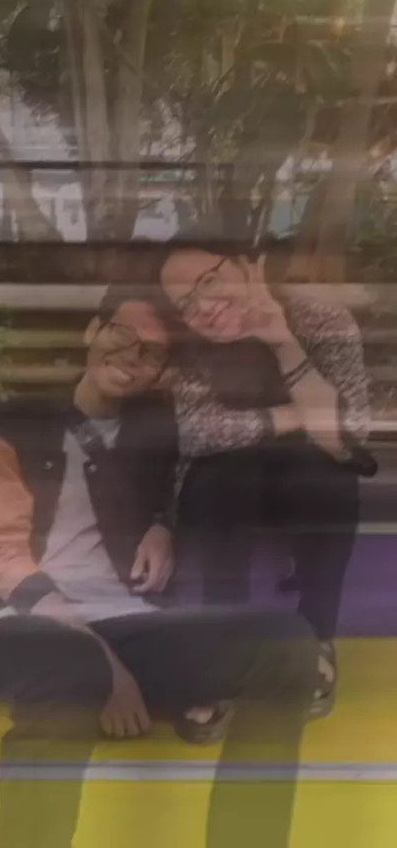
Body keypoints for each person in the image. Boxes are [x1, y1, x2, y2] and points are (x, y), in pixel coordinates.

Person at [0, 281, 317, 848]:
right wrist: (103, 660)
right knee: (74, 674)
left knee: (286, 643)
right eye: (121, 334)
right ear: (92, 331)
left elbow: (183, 478)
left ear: (161, 371)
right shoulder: (8, 426)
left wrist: (162, 524)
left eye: (151, 352)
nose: (131, 356)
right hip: (20, 622)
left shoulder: (156, 428)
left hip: (129, 620)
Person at [158, 234, 375, 718]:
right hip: (227, 487)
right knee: (219, 476)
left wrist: (281, 340)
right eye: (185, 303)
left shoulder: (322, 320)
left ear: (246, 264)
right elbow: (198, 432)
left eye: (208, 282)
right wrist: (303, 415)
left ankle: (315, 636)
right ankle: (224, 644)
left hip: (303, 481)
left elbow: (350, 435)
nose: (203, 307)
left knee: (326, 471)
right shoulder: (191, 350)